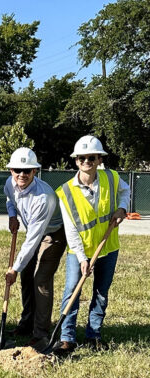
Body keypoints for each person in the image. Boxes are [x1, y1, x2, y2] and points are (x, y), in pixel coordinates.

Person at [53, 135, 129, 354]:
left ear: (99, 159)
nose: (87, 161)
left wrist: (122, 208)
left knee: (101, 293)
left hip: (109, 246)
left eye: (91, 157)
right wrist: (82, 258)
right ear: (76, 161)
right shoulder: (65, 192)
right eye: (82, 158)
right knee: (71, 291)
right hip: (79, 250)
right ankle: (66, 337)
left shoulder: (112, 178)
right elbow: (71, 230)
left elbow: (125, 191)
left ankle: (93, 335)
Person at [3, 147, 66, 348]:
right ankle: (26, 323)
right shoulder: (9, 184)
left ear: (35, 171)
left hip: (53, 233)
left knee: (40, 279)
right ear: (11, 170)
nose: (22, 174)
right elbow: (9, 199)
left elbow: (33, 239)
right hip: (34, 230)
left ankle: (40, 334)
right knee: (26, 275)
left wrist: (14, 267)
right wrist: (12, 215)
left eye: (27, 170)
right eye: (17, 170)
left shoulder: (43, 197)